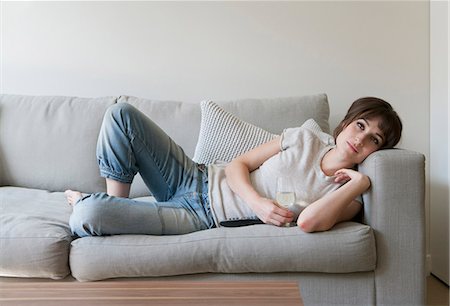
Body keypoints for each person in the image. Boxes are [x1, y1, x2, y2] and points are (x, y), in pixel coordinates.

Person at [66, 97, 402, 237]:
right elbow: (238, 164)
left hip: (202, 215)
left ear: (375, 151)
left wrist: (358, 185)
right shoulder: (303, 137)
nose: (362, 139)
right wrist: (257, 202)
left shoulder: (348, 195)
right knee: (121, 114)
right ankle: (118, 202)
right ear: (346, 123)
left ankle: (102, 207)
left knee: (87, 216)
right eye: (361, 125)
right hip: (194, 174)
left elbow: (311, 222)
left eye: (375, 139)